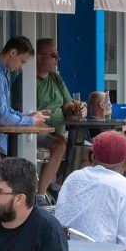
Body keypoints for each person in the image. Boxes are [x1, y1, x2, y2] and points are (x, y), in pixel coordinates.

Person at [16, 38, 86, 202]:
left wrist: (78, 109)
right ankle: (40, 195)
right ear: (40, 58)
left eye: (58, 55)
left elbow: (67, 107)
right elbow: (23, 114)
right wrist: (52, 131)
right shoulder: (26, 80)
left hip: (58, 132)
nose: (58, 59)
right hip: (33, 132)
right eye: (54, 56)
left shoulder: (56, 79)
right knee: (60, 144)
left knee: (89, 152)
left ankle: (56, 186)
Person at [0, 36, 48, 156]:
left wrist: (26, 116)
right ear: (13, 52)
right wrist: (31, 120)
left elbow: (6, 110)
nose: (21, 67)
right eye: (22, 61)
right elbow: (2, 117)